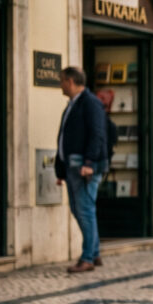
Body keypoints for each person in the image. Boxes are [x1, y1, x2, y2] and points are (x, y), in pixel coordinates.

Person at [54, 66, 108, 274]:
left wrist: (89, 163)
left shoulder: (90, 102)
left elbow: (97, 134)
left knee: (84, 210)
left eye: (61, 81)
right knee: (81, 210)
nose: (60, 85)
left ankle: (87, 258)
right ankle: (93, 253)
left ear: (70, 81)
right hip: (72, 165)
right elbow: (64, 138)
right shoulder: (73, 104)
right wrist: (60, 171)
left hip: (84, 166)